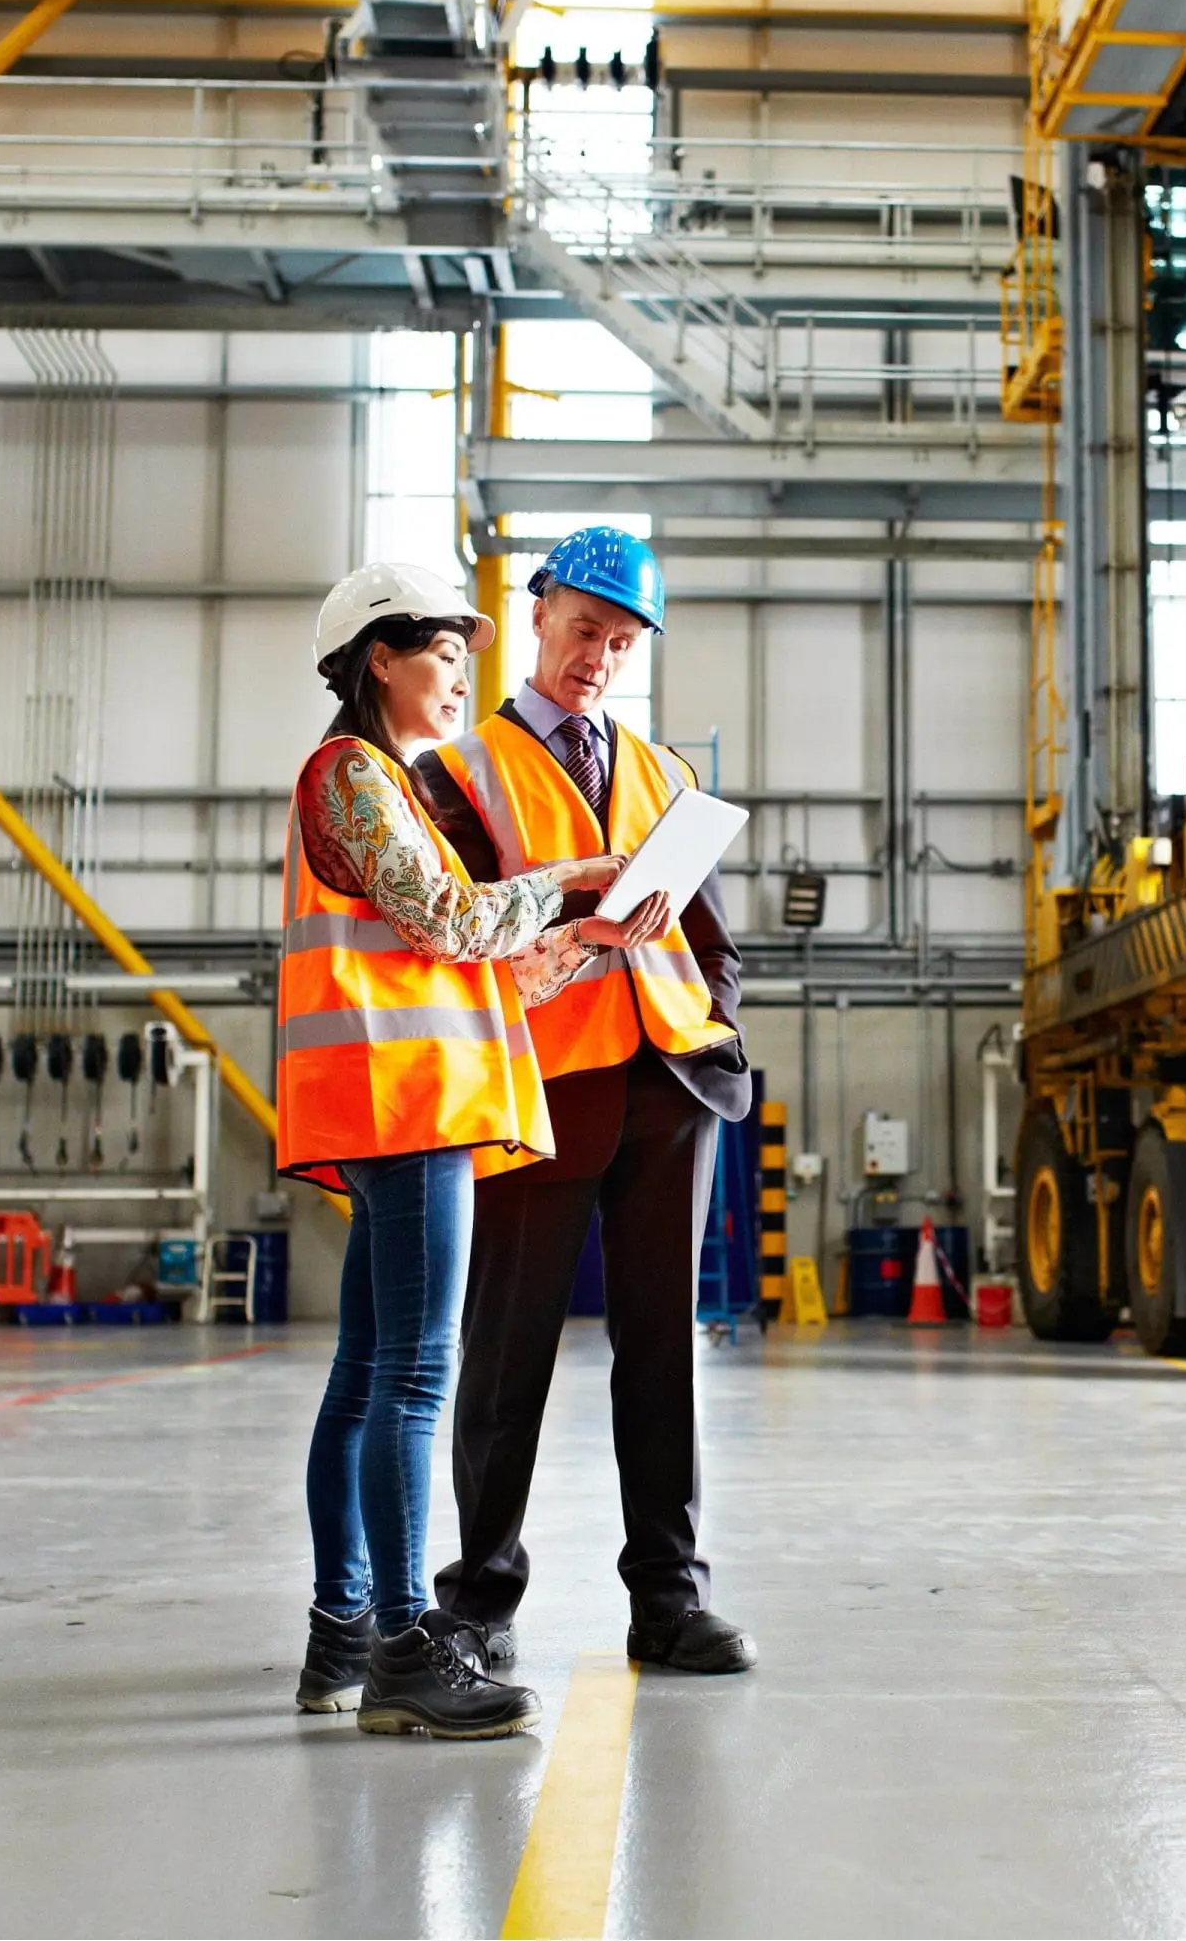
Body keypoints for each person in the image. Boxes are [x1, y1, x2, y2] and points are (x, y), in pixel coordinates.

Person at [277, 561, 672, 1739]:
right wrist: (571, 877)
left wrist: (594, 936)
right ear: (378, 660)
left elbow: (474, 970)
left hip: (408, 1100)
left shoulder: (382, 787)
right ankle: (402, 1643)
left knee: (364, 1381)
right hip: (405, 1108)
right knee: (409, 1379)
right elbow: (453, 923)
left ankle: (343, 1632)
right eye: (444, 655)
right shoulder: (352, 776)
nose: (461, 676)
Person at [422, 526, 759, 1676]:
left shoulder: (665, 774)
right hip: (538, 1086)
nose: (600, 659)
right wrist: (572, 931)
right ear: (538, 616)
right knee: (507, 1349)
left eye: (622, 642)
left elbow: (714, 936)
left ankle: (669, 1599)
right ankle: (477, 1602)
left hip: (669, 1081)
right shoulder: (460, 773)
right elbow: (450, 938)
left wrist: (718, 1023)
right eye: (584, 632)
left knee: (663, 1350)